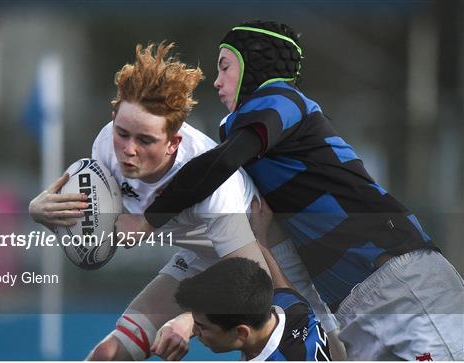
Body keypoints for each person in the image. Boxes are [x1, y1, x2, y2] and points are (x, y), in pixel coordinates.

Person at [117, 21, 464, 360]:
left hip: (398, 280)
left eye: (225, 67)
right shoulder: (255, 142)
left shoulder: (280, 98)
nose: (218, 82)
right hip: (354, 307)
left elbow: (219, 164)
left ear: (256, 66)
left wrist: (149, 220)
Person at [29, 42, 275, 361]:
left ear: (174, 142)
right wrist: (40, 211)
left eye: (145, 140)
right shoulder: (106, 146)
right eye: (123, 132)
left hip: (262, 262)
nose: (128, 150)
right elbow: (93, 246)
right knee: (108, 354)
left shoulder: (212, 182)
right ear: (114, 116)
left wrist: (190, 320)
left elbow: (253, 282)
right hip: (199, 260)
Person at [173, 199, 332, 361]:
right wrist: (260, 238)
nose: (194, 331)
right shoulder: (291, 307)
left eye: (202, 327)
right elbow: (282, 288)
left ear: (242, 332)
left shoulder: (292, 309)